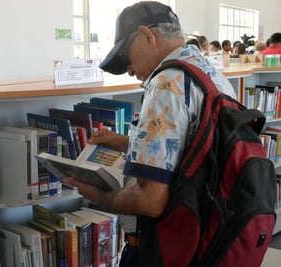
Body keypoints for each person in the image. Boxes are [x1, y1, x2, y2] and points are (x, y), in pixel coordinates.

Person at [62, 1, 236, 265]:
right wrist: (127, 142)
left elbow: (149, 200)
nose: (130, 70)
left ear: (147, 36)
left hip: (165, 248)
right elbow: (195, 148)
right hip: (208, 236)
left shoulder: (165, 85)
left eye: (127, 58)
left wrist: (99, 196)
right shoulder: (212, 74)